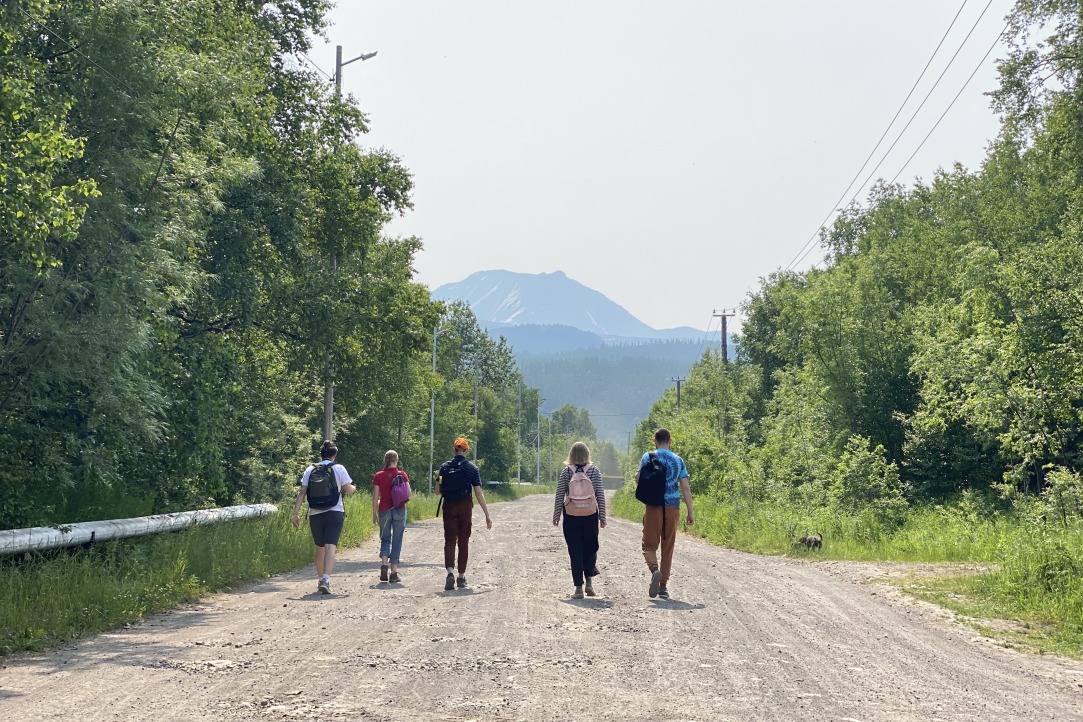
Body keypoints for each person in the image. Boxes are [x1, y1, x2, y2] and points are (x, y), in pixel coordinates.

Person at [292, 440, 356, 594]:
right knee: (330, 547)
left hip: (315, 513)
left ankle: (320, 579)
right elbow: (349, 490)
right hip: (335, 512)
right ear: (334, 455)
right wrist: (354, 488)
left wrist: (295, 514)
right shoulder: (339, 468)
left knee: (319, 548)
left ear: (320, 455)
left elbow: (302, 492)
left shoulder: (310, 470)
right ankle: (326, 579)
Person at [637, 428, 694, 600]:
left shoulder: (648, 456)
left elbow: (640, 479)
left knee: (648, 546)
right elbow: (685, 487)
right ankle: (663, 588)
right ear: (670, 441)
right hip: (672, 507)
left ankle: (655, 570)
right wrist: (690, 512)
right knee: (667, 547)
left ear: (655, 440)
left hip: (653, 505)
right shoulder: (678, 461)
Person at [552, 441, 607, 599]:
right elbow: (600, 496)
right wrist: (602, 517)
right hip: (590, 515)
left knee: (575, 551)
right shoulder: (594, 471)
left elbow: (559, 495)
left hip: (571, 516)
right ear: (587, 454)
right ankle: (589, 582)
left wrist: (556, 515)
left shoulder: (566, 472)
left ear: (571, 455)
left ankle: (578, 589)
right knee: (590, 548)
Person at [437, 437, 492, 591]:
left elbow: (437, 491)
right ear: (466, 451)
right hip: (465, 506)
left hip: (449, 505)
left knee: (449, 540)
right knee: (463, 541)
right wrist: (487, 515)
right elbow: (479, 493)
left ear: (454, 450)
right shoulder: (472, 468)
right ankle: (461, 577)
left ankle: (449, 573)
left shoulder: (444, 467)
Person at [372, 450, 409, 584]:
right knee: (397, 540)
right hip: (399, 510)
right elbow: (408, 493)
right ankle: (393, 573)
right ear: (396, 460)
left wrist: (374, 513)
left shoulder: (378, 475)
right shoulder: (402, 474)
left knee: (385, 538)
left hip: (384, 510)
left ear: (385, 460)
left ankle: (383, 564)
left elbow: (376, 496)